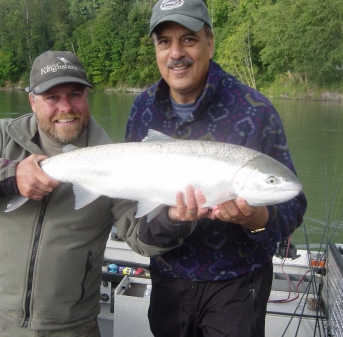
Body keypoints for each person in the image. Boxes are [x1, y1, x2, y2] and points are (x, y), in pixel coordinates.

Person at [0, 50, 205, 337]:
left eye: (75, 94)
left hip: (74, 329)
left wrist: (174, 219)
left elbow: (140, 238)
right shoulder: (0, 138)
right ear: (32, 101)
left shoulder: (116, 158)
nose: (66, 107)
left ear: (87, 96)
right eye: (52, 98)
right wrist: (10, 176)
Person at [124, 1, 308, 337]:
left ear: (210, 42)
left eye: (189, 39)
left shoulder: (256, 110)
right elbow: (135, 206)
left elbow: (294, 204)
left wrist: (258, 220)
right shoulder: (141, 108)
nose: (176, 52)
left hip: (237, 286)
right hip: (168, 279)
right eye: (164, 42)